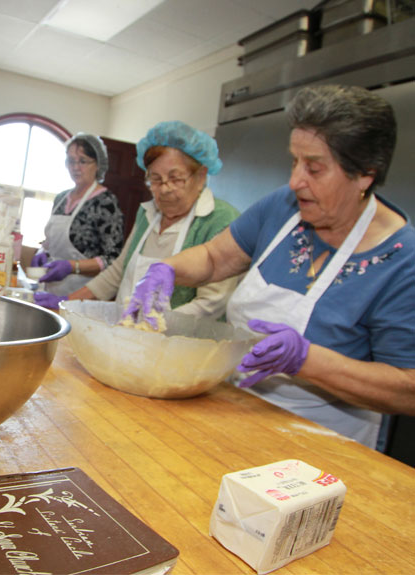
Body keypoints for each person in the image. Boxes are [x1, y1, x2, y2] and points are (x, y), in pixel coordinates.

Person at [124, 85, 415, 449]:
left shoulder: (403, 262)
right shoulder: (285, 206)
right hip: (236, 411)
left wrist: (306, 359)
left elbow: (408, 389)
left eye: (314, 167)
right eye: (294, 162)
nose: (296, 181)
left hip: (324, 445)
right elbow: (215, 257)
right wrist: (167, 269)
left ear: (365, 174)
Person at [36, 121, 239, 314]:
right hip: (126, 331)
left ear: (201, 176)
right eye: (156, 179)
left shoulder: (219, 220)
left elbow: (212, 303)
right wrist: (69, 301)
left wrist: (150, 325)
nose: (165, 189)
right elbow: (117, 272)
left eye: (175, 178)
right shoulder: (148, 213)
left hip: (177, 343)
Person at [31, 133, 124, 302]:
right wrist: (43, 252)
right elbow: (50, 241)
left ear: (97, 164)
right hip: (52, 289)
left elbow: (113, 260)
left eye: (82, 161)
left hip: (84, 295)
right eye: (70, 161)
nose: (75, 167)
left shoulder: (105, 202)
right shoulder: (61, 198)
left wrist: (71, 267)